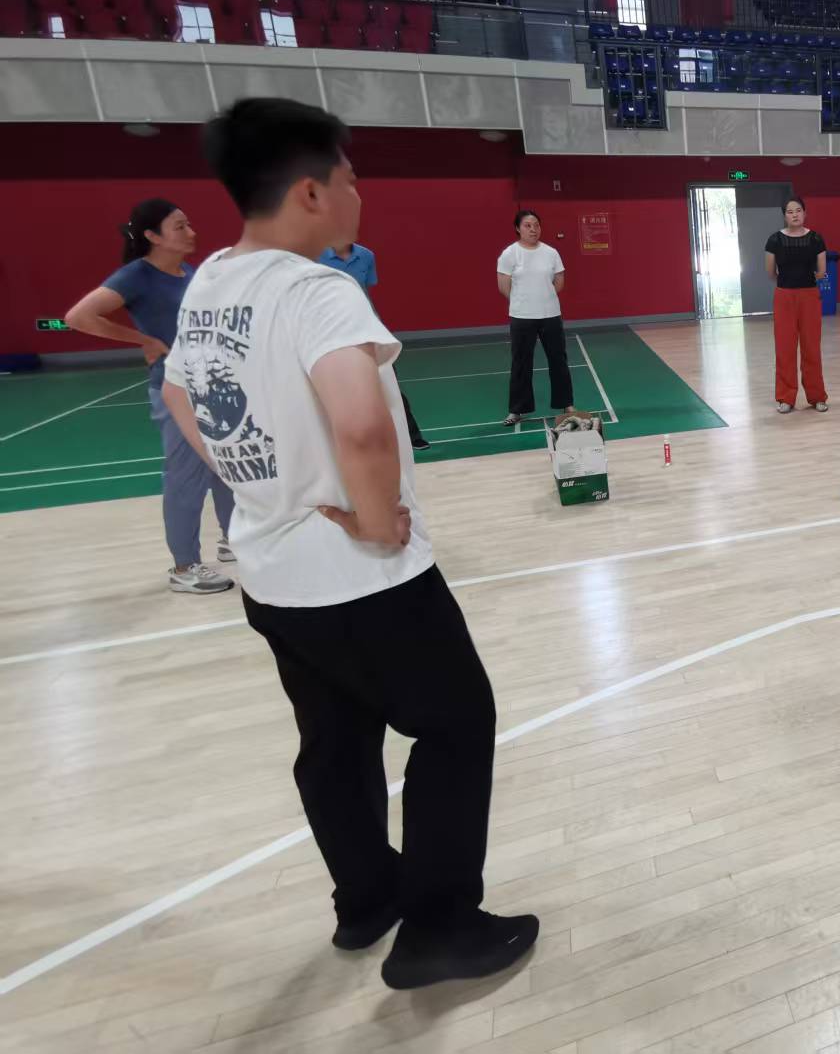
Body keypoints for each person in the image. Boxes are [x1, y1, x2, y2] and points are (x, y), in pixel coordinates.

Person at [162, 97, 536, 989]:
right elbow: (363, 425)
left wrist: (256, 480)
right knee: (456, 723)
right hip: (361, 576)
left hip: (271, 574)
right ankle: (439, 929)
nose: (359, 194)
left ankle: (368, 899)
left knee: (333, 740)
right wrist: (373, 519)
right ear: (310, 192)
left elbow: (178, 393)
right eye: (351, 178)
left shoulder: (211, 279)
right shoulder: (318, 291)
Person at [65, 198, 235, 595]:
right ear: (152, 236)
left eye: (189, 224)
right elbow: (78, 317)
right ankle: (185, 566)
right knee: (185, 477)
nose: (191, 233)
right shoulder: (136, 276)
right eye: (180, 226)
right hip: (175, 391)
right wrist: (143, 340)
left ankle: (234, 538)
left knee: (224, 468)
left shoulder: (188, 272)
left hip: (210, 385)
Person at [319, 241, 429, 450]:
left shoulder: (366, 256)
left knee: (389, 383)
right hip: (331, 330)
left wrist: (374, 323)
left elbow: (365, 292)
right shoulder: (316, 255)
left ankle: (412, 435)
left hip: (366, 327)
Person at [496, 209, 574, 426]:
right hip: (522, 317)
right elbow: (504, 287)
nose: (533, 229)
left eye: (536, 225)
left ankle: (566, 404)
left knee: (558, 360)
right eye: (528, 225)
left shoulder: (551, 252)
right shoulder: (509, 254)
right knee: (521, 363)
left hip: (550, 315)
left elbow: (559, 281)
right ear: (518, 228)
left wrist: (543, 298)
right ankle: (516, 410)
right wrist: (524, 301)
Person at [764, 196, 828, 413]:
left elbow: (821, 271)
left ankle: (817, 397)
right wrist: (789, 284)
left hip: (809, 297)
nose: (795, 215)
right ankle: (785, 398)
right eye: (790, 211)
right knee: (785, 349)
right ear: (785, 216)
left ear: (805, 213)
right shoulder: (774, 240)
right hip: (784, 297)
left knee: (812, 348)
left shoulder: (816, 239)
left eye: (798, 210)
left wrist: (804, 282)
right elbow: (770, 272)